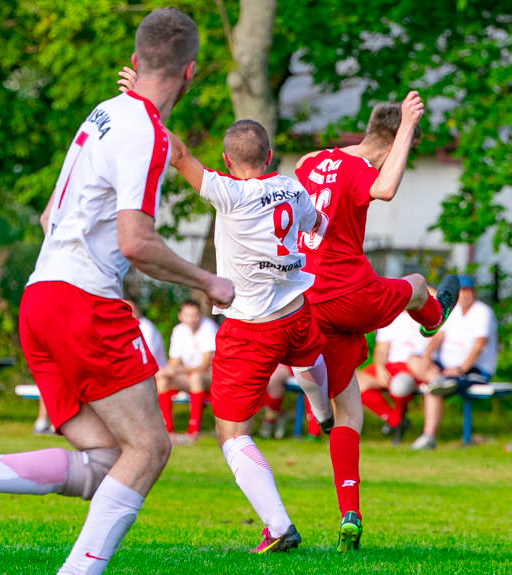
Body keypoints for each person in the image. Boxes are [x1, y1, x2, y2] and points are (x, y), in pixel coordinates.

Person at [0, 10, 234, 575]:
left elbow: (47, 216)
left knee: (110, 458)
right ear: (191, 72)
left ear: (135, 63)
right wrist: (207, 280)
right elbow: (136, 241)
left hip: (41, 298)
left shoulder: (105, 114)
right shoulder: (144, 133)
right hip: (81, 303)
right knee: (150, 448)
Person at [294, 92, 460, 551]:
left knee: (349, 407)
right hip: (348, 291)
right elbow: (384, 188)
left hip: (306, 299)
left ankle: (350, 510)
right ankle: (431, 319)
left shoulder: (311, 161)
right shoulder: (364, 171)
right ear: (390, 147)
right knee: (417, 283)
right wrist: (408, 125)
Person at [165, 118, 333, 553]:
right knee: (306, 358)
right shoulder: (294, 188)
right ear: (270, 157)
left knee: (231, 433)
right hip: (296, 310)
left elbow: (179, 155)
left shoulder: (229, 193)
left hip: (251, 327)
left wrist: (144, 105)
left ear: (226, 161)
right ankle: (325, 414)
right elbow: (319, 224)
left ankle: (279, 527)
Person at [411, 275, 498, 450]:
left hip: (474, 370)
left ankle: (428, 437)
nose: (465, 296)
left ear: (474, 293)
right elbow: (438, 336)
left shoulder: (482, 312)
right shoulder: (455, 310)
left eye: (468, 292)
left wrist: (460, 369)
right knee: (414, 360)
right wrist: (427, 357)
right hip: (447, 368)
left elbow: (479, 345)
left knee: (435, 389)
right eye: (462, 292)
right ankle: (434, 378)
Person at [356, 310, 427, 444]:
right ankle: (395, 420)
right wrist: (380, 368)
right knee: (355, 382)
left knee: (400, 385)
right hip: (391, 365)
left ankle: (396, 422)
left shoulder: (427, 314)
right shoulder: (392, 316)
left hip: (415, 366)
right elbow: (382, 349)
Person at [156, 300, 216, 441]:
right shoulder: (179, 331)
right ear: (180, 316)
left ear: (200, 315)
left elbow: (205, 365)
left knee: (195, 377)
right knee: (163, 378)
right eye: (188, 315)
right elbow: (174, 362)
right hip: (190, 376)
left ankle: (194, 429)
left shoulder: (208, 328)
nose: (192, 318)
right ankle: (167, 429)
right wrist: (169, 370)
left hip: (212, 377)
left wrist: (178, 370)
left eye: (195, 315)